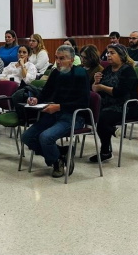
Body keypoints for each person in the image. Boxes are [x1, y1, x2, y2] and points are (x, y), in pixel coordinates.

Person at [21, 45, 89, 177]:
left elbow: (83, 102)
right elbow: (46, 92)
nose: (58, 62)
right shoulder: (56, 73)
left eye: (62, 58)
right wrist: (36, 99)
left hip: (73, 116)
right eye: (56, 58)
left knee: (45, 138)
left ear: (71, 60)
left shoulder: (81, 74)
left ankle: (56, 161)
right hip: (55, 113)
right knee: (27, 137)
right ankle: (61, 153)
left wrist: (59, 107)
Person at [90, 44, 138, 162]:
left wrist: (102, 87)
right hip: (107, 104)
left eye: (112, 53)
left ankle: (105, 151)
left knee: (102, 118)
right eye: (108, 53)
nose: (108, 55)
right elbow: (94, 89)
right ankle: (112, 132)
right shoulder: (107, 69)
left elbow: (120, 92)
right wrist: (96, 82)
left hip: (126, 106)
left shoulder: (128, 70)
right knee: (92, 114)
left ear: (121, 56)